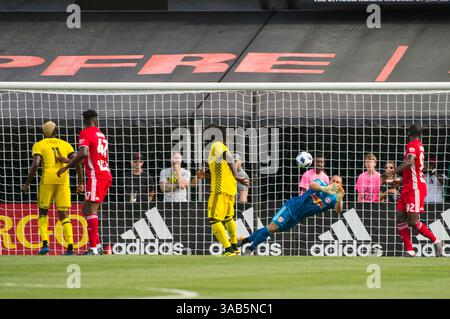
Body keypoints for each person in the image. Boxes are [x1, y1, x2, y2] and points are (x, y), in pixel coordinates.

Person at [238, 176, 345, 254]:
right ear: (330, 180)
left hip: (298, 217)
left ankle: (243, 241)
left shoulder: (334, 199)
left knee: (271, 229)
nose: (335, 183)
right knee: (272, 227)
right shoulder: (321, 183)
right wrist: (324, 189)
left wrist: (340, 198)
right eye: (334, 180)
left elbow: (338, 210)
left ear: (340, 185)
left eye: (338, 182)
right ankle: (250, 249)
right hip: (291, 207)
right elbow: (312, 185)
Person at [21, 121, 83, 256]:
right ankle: (70, 248)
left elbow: (36, 164)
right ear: (57, 131)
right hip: (63, 180)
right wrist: (80, 182)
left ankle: (45, 245)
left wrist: (27, 183)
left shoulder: (39, 145)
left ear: (44, 132)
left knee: (43, 212)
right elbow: (78, 162)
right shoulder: (66, 145)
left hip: (47, 179)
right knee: (64, 215)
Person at [57, 110, 113, 255]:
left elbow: (83, 154)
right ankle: (98, 246)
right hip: (104, 174)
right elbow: (87, 157)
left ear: (85, 120)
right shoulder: (101, 135)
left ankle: (93, 248)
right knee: (86, 209)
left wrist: (66, 168)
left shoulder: (85, 133)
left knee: (90, 210)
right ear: (96, 120)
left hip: (96, 176)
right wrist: (69, 160)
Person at [382, 124, 442, 257]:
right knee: (400, 217)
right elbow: (414, 169)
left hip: (415, 188)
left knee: (413, 221)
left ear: (409, 133)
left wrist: (390, 173)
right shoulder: (418, 145)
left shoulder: (412, 145)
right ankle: (409, 250)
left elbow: (409, 162)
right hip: (408, 186)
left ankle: (436, 241)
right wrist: (401, 180)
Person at [196, 127, 251, 257]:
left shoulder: (217, 145)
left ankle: (228, 250)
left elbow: (226, 156)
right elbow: (221, 170)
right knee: (228, 218)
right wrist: (206, 175)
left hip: (220, 190)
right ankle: (234, 247)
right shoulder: (217, 152)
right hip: (229, 190)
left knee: (214, 219)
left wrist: (236, 175)